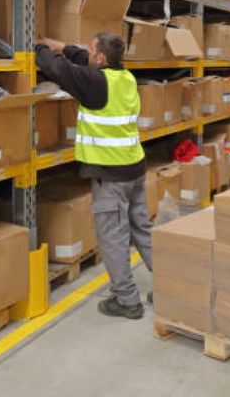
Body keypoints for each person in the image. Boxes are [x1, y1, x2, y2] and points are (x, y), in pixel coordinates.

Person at [35, 33, 152, 320]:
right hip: (134, 168)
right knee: (142, 230)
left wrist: (37, 48)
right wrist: (58, 45)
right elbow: (77, 59)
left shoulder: (96, 83)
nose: (86, 53)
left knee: (112, 237)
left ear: (100, 58)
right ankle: (172, 287)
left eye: (91, 49)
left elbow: (60, 70)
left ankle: (127, 301)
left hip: (111, 175)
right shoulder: (123, 77)